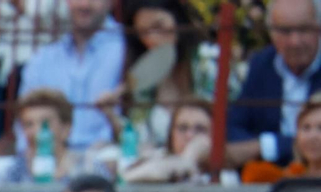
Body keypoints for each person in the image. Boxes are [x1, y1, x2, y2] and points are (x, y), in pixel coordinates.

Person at [17, 0, 126, 151]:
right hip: (49, 162)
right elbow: (23, 124)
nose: (84, 5)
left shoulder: (128, 49)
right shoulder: (43, 59)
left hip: (109, 160)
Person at [225, 0, 321, 169]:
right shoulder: (262, 65)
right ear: (271, 34)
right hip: (268, 180)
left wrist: (270, 146)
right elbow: (234, 127)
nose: (295, 41)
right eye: (285, 31)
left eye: (304, 29)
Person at [114, 0, 216, 148]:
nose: (153, 38)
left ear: (177, 19)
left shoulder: (208, 60)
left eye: (159, 26)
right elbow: (136, 139)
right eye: (144, 33)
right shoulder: (143, 78)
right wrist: (110, 113)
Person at [0, 88, 100, 182]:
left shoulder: (89, 167)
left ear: (66, 128)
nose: (37, 131)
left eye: (45, 124)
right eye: (29, 124)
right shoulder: (15, 172)